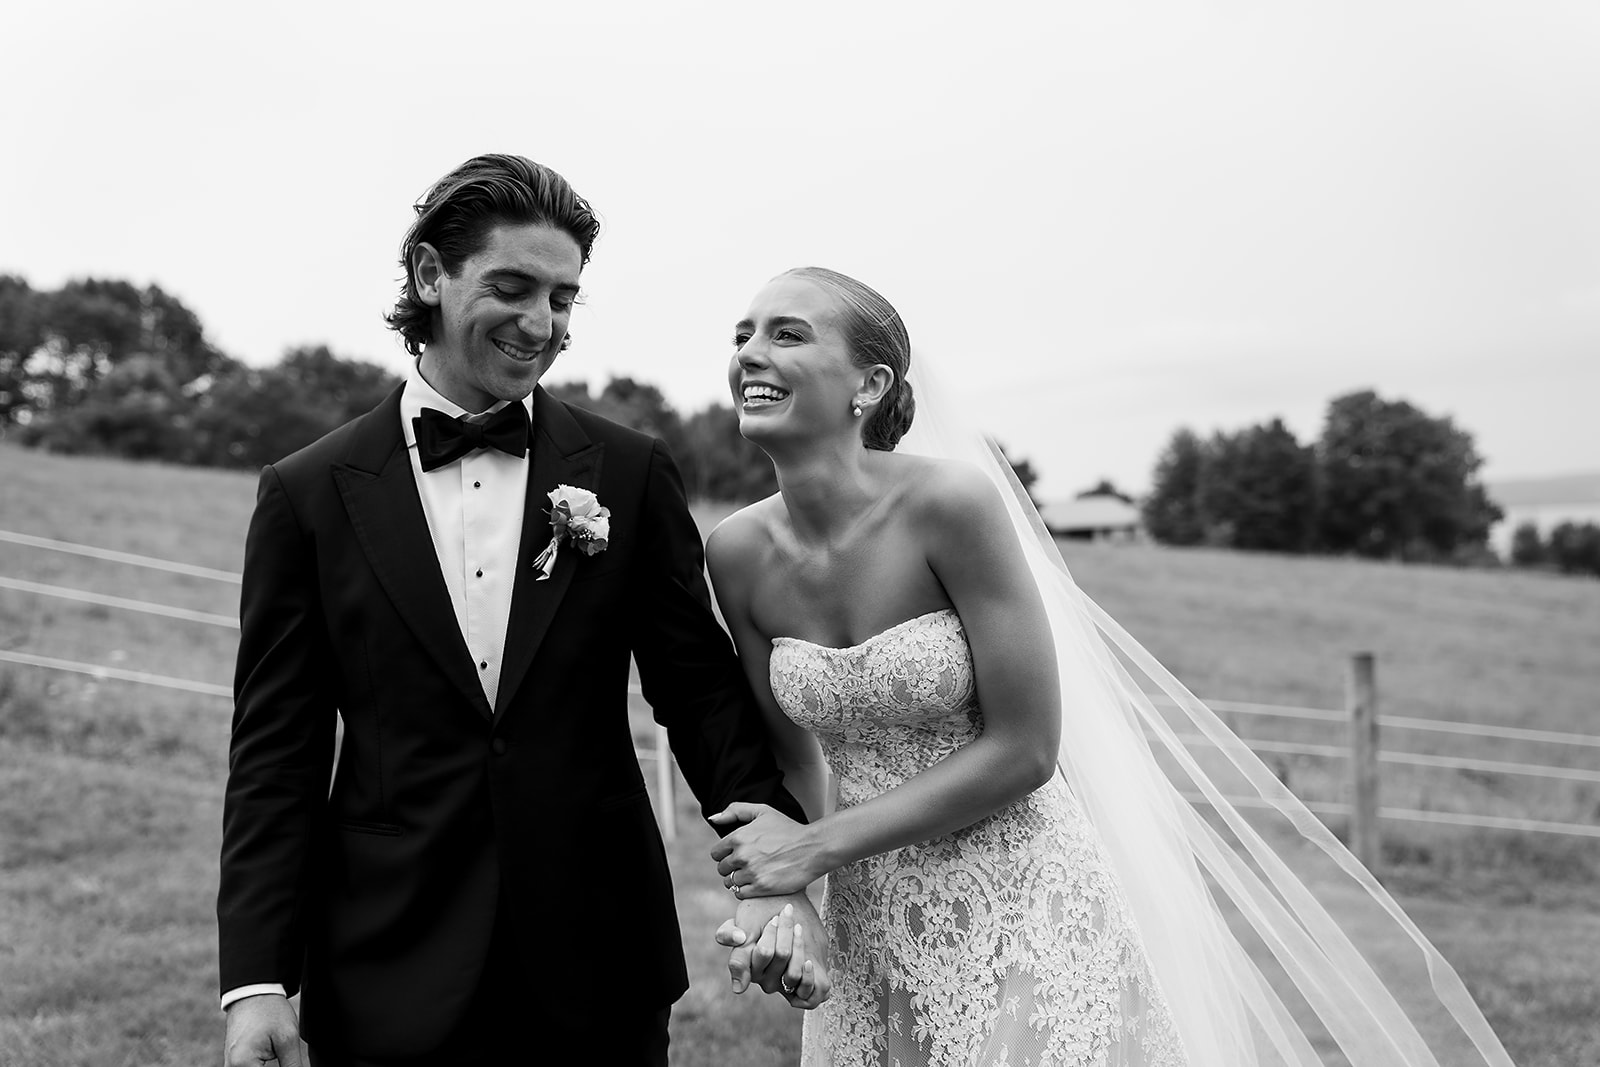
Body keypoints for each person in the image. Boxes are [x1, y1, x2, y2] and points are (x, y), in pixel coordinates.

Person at [703, 267, 1518, 1065]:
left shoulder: (950, 505)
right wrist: (787, 904)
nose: (750, 352)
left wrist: (817, 848)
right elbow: (793, 762)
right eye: (743, 335)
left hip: (1020, 895)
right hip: (867, 924)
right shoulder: (736, 552)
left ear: (870, 383)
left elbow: (1026, 748)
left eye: (787, 333)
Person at [217, 155, 827, 1067]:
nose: (542, 323)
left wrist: (773, 865)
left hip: (597, 950)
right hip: (386, 956)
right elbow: (277, 748)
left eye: (565, 298)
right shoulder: (305, 495)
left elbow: (697, 690)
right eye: (512, 287)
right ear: (430, 276)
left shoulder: (627, 469)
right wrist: (256, 979)